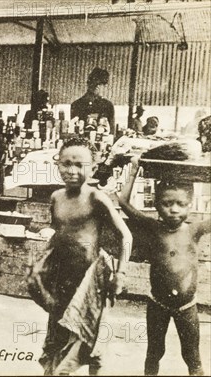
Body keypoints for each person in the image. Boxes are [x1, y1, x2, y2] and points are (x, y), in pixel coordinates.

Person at [40, 137, 132, 375]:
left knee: (92, 346)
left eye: (80, 165)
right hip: (63, 280)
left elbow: (126, 236)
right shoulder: (56, 198)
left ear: (93, 166)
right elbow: (59, 233)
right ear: (57, 164)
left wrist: (121, 273)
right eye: (66, 164)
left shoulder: (95, 198)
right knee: (58, 340)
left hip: (91, 282)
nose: (72, 171)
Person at [115, 156, 209, 376]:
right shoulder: (152, 228)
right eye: (167, 203)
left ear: (190, 205)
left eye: (181, 204)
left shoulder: (194, 230)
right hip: (157, 303)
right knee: (155, 352)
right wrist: (134, 170)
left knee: (192, 355)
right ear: (156, 205)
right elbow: (124, 203)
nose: (174, 209)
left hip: (187, 306)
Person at [71, 68, 115, 135]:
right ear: (88, 84)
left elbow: (112, 132)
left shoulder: (108, 106)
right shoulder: (77, 105)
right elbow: (72, 130)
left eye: (100, 84)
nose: (97, 87)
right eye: (94, 83)